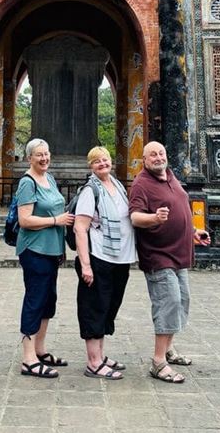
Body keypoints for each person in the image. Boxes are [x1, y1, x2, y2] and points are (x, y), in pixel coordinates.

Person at [129, 141, 210, 384]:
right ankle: (158, 362)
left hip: (179, 253)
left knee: (181, 300)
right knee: (168, 302)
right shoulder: (141, 184)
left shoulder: (171, 177)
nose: (157, 157)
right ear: (144, 160)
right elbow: (134, 217)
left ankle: (168, 349)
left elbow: (181, 208)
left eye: (161, 153)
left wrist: (194, 231)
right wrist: (154, 218)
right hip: (158, 254)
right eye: (152, 154)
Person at [74, 146, 137, 380]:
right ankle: (93, 362)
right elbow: (80, 227)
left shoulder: (117, 185)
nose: (102, 164)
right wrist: (86, 265)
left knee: (110, 305)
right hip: (99, 257)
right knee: (95, 306)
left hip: (120, 257)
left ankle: (100, 355)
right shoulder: (91, 190)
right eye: (97, 161)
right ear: (90, 166)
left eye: (105, 159)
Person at [16, 138, 74, 378]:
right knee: (35, 299)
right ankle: (28, 359)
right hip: (34, 251)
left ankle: (40, 350)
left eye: (47, 153)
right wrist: (55, 221)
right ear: (29, 158)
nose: (44, 158)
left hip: (52, 250)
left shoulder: (48, 178)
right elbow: (25, 220)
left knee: (48, 300)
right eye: (39, 155)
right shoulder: (27, 183)